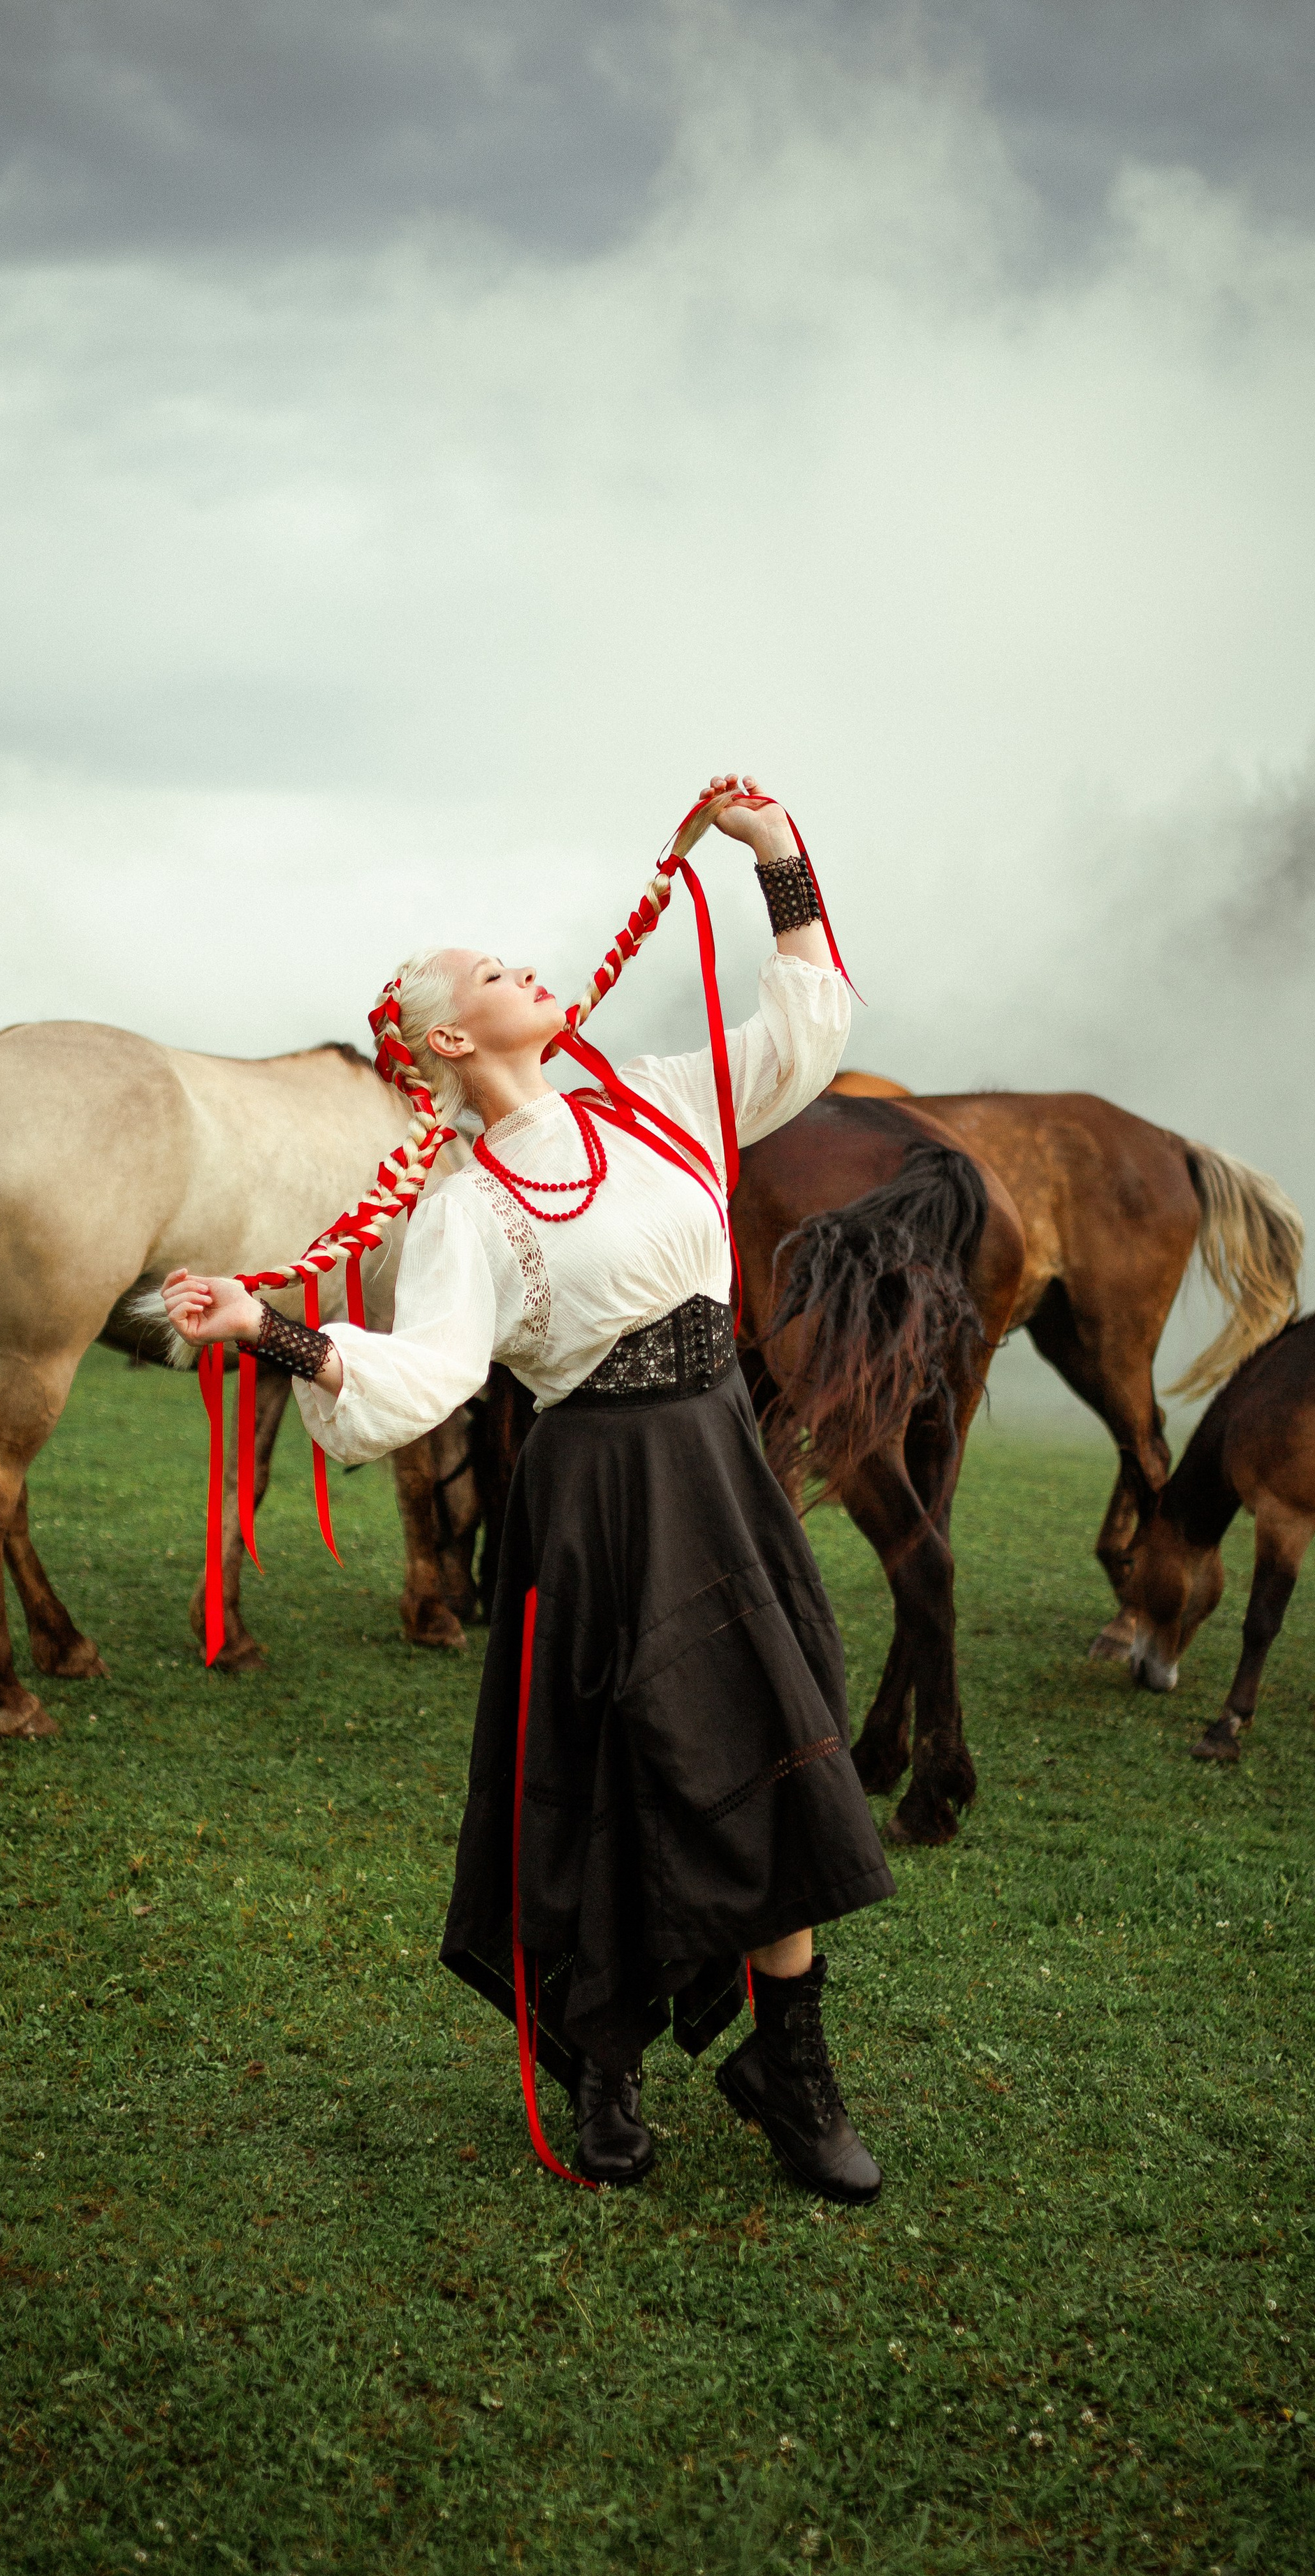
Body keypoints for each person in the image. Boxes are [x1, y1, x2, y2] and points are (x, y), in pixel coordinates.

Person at [163, 777, 894, 2201]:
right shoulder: (462, 1209)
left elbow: (806, 1026)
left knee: (775, 1739)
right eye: (496, 970)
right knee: (610, 1777)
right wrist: (273, 1331)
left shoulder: (656, 1097)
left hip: (719, 1464)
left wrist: (777, 860)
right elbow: (418, 1383)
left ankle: (788, 2068)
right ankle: (602, 2057)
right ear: (449, 1036)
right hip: (596, 1496)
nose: (530, 968)